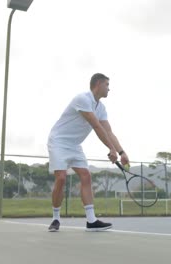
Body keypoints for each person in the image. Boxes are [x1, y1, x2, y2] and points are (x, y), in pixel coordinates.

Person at [47, 73, 129, 232]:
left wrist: (121, 151)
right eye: (107, 85)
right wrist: (111, 149)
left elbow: (108, 131)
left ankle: (91, 221)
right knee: (61, 178)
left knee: (86, 176)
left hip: (75, 145)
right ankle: (55, 218)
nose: (109, 89)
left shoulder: (102, 108)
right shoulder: (83, 99)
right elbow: (96, 127)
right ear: (98, 84)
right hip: (58, 141)